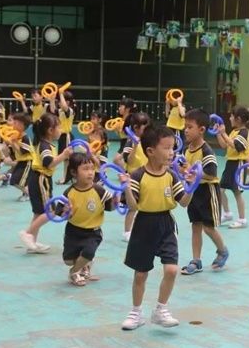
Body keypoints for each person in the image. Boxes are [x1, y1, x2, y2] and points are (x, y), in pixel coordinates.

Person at [119, 126, 193, 330]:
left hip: (166, 224)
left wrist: (191, 187)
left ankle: (161, 309)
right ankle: (136, 313)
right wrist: (127, 188)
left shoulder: (171, 175)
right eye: (166, 148)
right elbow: (133, 206)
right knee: (140, 274)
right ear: (150, 151)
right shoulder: (138, 175)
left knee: (171, 269)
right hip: (143, 225)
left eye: (173, 148)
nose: (171, 153)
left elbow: (183, 202)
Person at [179, 109, 229, 275]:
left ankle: (222, 250)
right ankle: (196, 260)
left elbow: (212, 173)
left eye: (190, 127)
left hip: (208, 192)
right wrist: (184, 172)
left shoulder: (206, 150)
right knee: (195, 226)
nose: (186, 130)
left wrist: (193, 173)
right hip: (193, 191)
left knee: (208, 228)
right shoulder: (186, 149)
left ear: (201, 130)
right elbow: (184, 169)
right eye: (185, 127)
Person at [19, 113, 72, 254]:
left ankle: (32, 242)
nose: (61, 130)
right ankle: (27, 233)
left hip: (38, 178)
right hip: (41, 179)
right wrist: (64, 155)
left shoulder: (43, 143)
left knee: (39, 212)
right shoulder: (45, 146)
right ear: (50, 130)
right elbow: (48, 163)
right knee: (50, 211)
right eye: (59, 127)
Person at [59, 153, 114, 286]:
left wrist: (116, 201)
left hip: (93, 231)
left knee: (88, 252)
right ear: (74, 172)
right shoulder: (69, 192)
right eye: (85, 169)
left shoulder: (99, 190)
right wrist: (66, 212)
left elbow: (110, 207)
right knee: (68, 260)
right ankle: (84, 265)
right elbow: (60, 212)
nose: (90, 172)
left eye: (92, 168)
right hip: (73, 230)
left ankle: (74, 272)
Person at [215, 105, 249, 229]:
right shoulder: (234, 132)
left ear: (239, 119)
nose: (230, 118)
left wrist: (224, 133)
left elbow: (236, 146)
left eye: (232, 116)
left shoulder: (244, 132)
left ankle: (242, 219)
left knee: (237, 192)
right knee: (220, 190)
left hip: (239, 164)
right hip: (230, 164)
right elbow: (224, 146)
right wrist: (219, 134)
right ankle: (227, 214)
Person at [116, 111, 150, 242]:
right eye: (144, 127)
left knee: (145, 205)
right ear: (136, 128)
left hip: (146, 177)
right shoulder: (130, 142)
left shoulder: (148, 142)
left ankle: (143, 229)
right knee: (132, 207)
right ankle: (127, 231)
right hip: (133, 178)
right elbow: (128, 160)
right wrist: (135, 145)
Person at [5, 113, 33, 202]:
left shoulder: (25, 138)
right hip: (21, 161)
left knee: (17, 180)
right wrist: (10, 144)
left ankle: (29, 194)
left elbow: (22, 152)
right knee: (14, 180)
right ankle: (26, 193)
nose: (13, 125)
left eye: (15, 123)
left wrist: (13, 142)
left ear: (21, 125)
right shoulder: (16, 136)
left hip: (28, 162)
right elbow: (13, 152)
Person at [54, 89, 75, 184]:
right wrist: (51, 99)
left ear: (68, 102)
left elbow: (65, 106)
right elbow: (52, 110)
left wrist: (61, 93)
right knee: (66, 158)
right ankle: (71, 177)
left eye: (60, 100)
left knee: (67, 159)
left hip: (67, 136)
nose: (59, 102)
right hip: (61, 137)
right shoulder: (60, 111)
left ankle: (65, 178)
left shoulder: (70, 111)